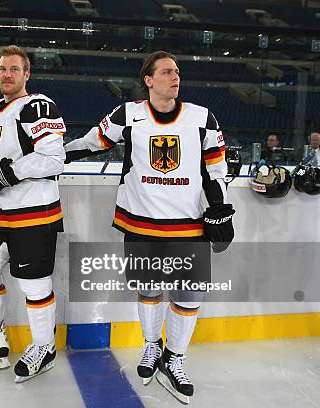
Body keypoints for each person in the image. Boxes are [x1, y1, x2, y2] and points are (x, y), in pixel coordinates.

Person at [64, 50, 234, 404]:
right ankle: (152, 347)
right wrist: (54, 155)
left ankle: (176, 358)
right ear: (148, 80)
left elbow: (217, 168)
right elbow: (94, 142)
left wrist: (219, 207)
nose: (175, 78)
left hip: (189, 225)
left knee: (189, 295)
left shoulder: (203, 118)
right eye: (168, 72)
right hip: (139, 222)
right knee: (148, 287)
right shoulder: (128, 114)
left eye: (177, 72)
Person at [0, 45, 66, 383]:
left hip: (34, 213)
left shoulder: (37, 105)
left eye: (14, 69)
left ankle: (44, 347)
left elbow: (53, 157)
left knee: (34, 283)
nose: (7, 74)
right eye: (2, 68)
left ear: (26, 74)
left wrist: (7, 172)